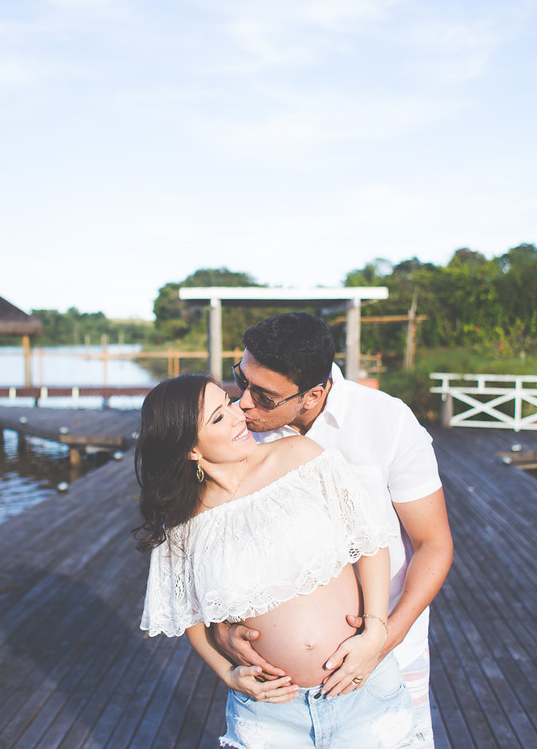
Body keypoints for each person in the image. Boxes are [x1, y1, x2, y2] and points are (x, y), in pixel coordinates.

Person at [136, 374, 418, 748]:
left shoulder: (299, 455)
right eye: (218, 418)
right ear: (190, 449)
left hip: (360, 690)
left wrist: (376, 630)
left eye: (229, 402)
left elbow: (370, 542)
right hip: (269, 715)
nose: (238, 416)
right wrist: (227, 673)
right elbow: (188, 615)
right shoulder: (184, 523)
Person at [213, 312, 454, 749]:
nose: (243, 403)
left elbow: (432, 543)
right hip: (277, 692)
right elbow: (210, 542)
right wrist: (220, 629)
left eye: (264, 396)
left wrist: (383, 639)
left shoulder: (387, 420)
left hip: (391, 662)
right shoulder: (236, 435)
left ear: (313, 394)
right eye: (240, 380)